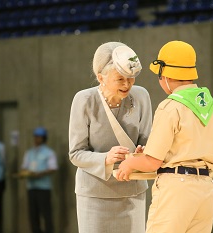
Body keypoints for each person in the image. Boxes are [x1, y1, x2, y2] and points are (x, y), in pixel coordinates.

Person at [116, 41, 213, 233]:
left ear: (164, 74)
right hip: (206, 190)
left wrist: (130, 163)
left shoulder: (171, 107)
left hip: (176, 190)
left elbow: (152, 162)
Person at [69, 42, 152, 233]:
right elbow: (75, 153)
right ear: (101, 78)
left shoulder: (141, 96)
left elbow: (147, 142)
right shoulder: (84, 100)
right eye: (120, 79)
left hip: (133, 191)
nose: (127, 84)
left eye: (131, 78)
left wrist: (142, 152)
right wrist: (105, 158)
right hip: (93, 195)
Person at [21, 127, 58, 233]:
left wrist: (40, 174)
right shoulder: (29, 152)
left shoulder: (49, 153)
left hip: (43, 187)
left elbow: (53, 168)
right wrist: (26, 172)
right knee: (33, 215)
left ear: (44, 138)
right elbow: (24, 167)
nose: (36, 139)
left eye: (39, 137)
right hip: (31, 187)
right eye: (35, 136)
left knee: (46, 214)